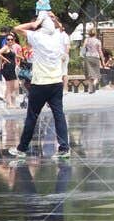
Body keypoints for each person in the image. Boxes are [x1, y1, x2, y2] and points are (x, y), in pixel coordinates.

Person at [7, 10, 72, 160]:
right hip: (56, 82)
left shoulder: (35, 36)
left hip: (40, 83)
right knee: (59, 115)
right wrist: (53, 19)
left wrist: (33, 23)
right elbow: (60, 28)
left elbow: (16, 29)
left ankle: (22, 148)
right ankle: (64, 148)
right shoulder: (57, 36)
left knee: (32, 116)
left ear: (40, 25)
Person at [0, 31, 20, 108]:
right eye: (8, 39)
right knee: (9, 86)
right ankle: (9, 104)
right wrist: (5, 60)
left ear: (14, 40)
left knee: (15, 86)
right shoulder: (5, 47)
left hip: (12, 68)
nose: (10, 40)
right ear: (6, 40)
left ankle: (11, 103)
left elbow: (13, 55)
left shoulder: (12, 48)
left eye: (11, 39)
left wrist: (20, 57)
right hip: (7, 69)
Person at [80, 27, 105, 93]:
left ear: (89, 33)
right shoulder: (98, 41)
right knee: (96, 73)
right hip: (96, 57)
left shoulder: (86, 40)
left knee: (89, 74)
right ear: (95, 33)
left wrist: (82, 55)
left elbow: (83, 47)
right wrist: (103, 60)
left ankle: (90, 89)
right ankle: (94, 83)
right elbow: (100, 51)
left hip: (88, 57)